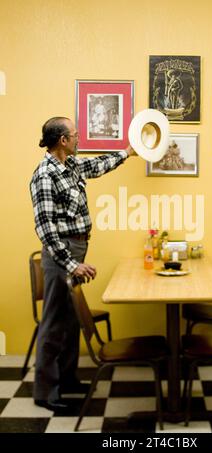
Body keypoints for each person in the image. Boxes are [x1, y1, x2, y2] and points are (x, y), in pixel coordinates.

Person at [30, 116, 136, 412]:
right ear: (62, 140)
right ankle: (46, 392)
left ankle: (68, 378)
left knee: (71, 317)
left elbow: (97, 165)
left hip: (77, 246)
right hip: (61, 253)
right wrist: (71, 264)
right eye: (75, 135)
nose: (79, 139)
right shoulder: (44, 175)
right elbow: (46, 228)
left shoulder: (71, 165)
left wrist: (127, 153)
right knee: (53, 322)